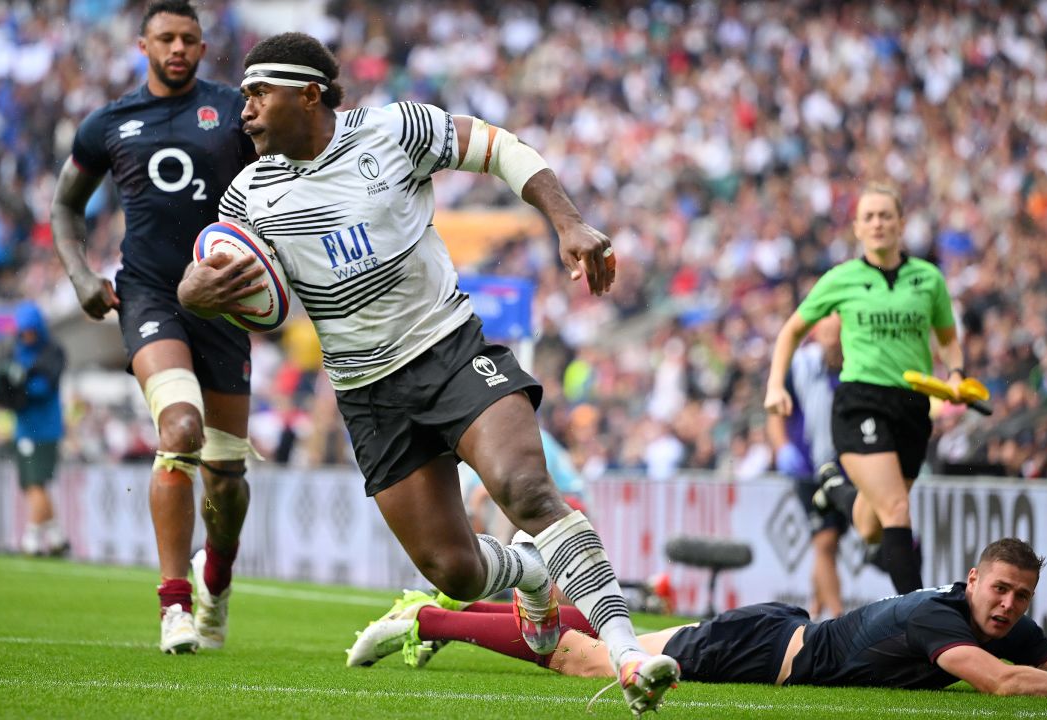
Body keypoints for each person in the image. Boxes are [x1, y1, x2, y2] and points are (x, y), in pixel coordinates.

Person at [176, 32, 677, 713]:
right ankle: (528, 571)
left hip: (448, 351)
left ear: (309, 95)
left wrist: (569, 223)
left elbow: (500, 148)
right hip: (366, 394)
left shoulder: (394, 129)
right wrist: (193, 295)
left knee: (527, 488)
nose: (246, 110)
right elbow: (218, 283)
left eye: (259, 93)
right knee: (455, 571)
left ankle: (627, 655)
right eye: (244, 97)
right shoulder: (248, 196)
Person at [352, 538, 1047, 701]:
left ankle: (455, 611)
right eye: (999, 591)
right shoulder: (951, 626)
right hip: (757, 647)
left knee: (626, 639)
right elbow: (1012, 684)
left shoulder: (989, 619)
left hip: (773, 636)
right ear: (973, 580)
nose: (1008, 607)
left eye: (1019, 597)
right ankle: (434, 620)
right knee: (591, 659)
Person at [50, 0, 258, 654]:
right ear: (143, 44)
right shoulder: (109, 123)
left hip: (224, 301)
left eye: (189, 39)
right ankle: (173, 604)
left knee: (226, 475)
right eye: (166, 38)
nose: (178, 48)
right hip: (149, 297)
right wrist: (82, 276)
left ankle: (215, 582)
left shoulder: (233, 110)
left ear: (202, 47)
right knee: (180, 432)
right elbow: (64, 204)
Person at [764, 182, 967, 595]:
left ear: (901, 224)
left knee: (871, 524)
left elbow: (947, 336)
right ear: (856, 228)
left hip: (912, 406)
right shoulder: (842, 279)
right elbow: (792, 331)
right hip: (860, 402)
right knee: (896, 508)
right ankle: (921, 617)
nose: (878, 223)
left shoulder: (928, 280)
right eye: (869, 217)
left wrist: (957, 373)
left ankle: (836, 492)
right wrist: (774, 386)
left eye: (885, 215)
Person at [766, 314, 848, 619]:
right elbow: (776, 410)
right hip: (807, 469)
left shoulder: (856, 365)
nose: (829, 332)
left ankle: (814, 609)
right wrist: (782, 447)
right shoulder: (800, 364)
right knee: (824, 540)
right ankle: (839, 618)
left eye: (835, 326)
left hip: (846, 468)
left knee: (828, 544)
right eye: (824, 325)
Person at [0, 302, 69, 557]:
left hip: (44, 428)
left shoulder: (51, 352)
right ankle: (56, 536)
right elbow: (5, 388)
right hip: (24, 427)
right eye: (23, 331)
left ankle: (32, 537)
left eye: (30, 330)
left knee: (36, 484)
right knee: (34, 484)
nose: (27, 335)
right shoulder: (13, 352)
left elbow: (43, 388)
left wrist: (19, 383)